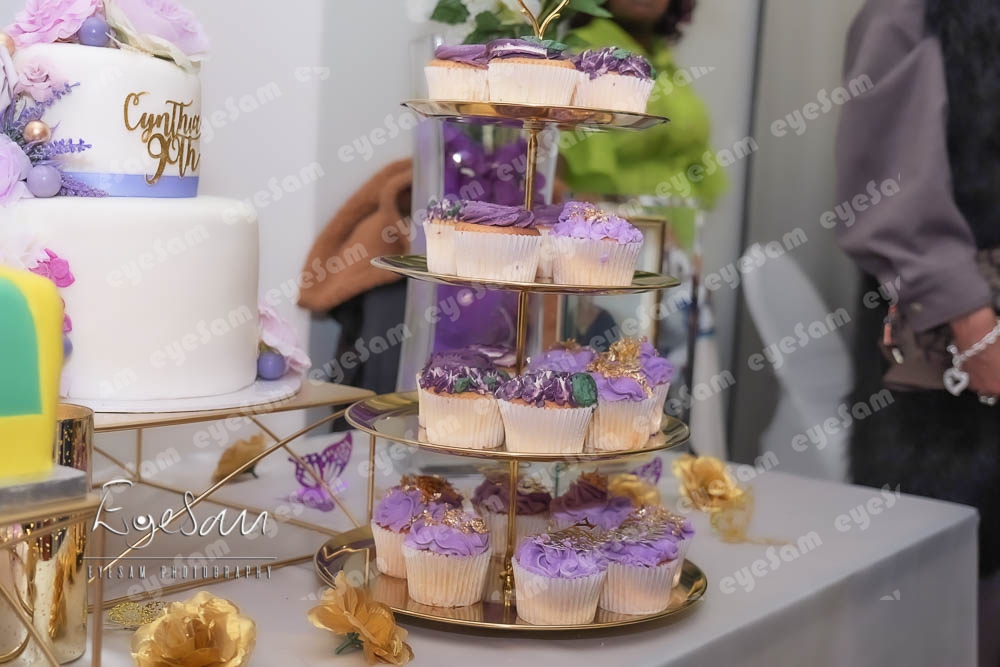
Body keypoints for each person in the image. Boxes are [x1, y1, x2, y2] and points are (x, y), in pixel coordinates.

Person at [836, 1, 1000, 663]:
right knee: (941, 585)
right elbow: (890, 185)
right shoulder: (919, 10)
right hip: (956, 340)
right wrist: (973, 324)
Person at [560, 0, 725, 205]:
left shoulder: (663, 58)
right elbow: (575, 170)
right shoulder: (583, 55)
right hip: (612, 217)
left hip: (679, 216)